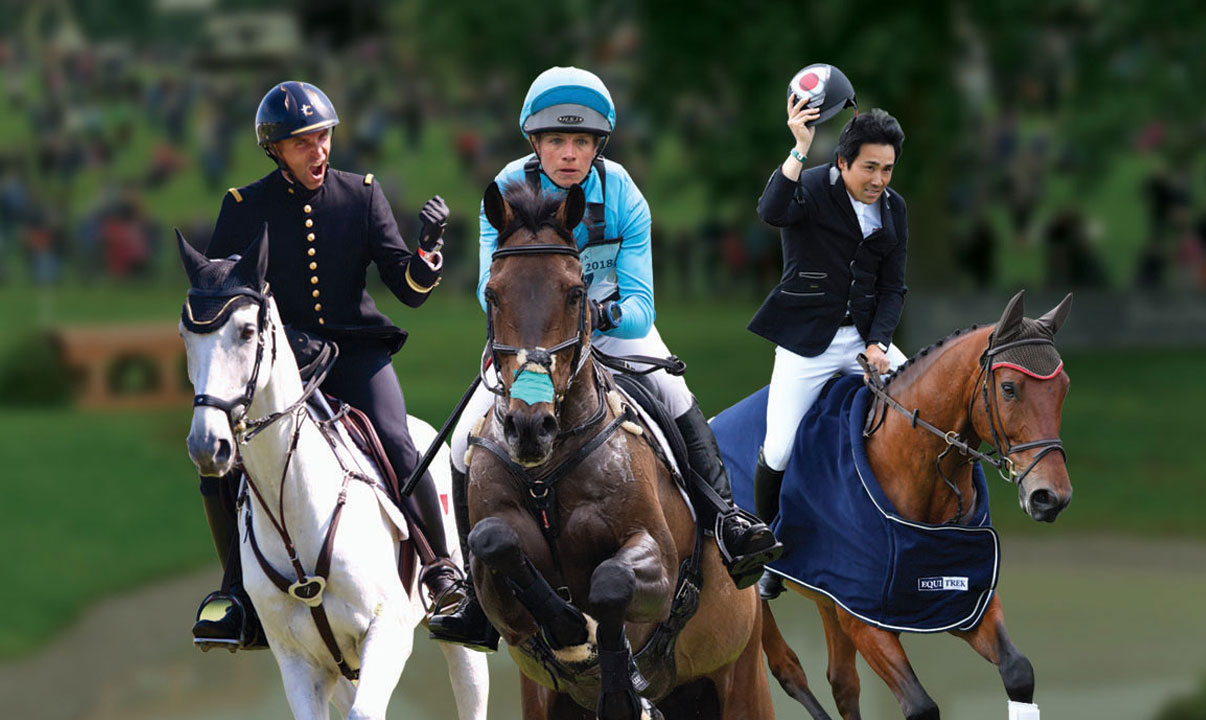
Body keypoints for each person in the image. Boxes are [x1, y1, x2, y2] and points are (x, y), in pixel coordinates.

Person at [427, 66, 783, 652]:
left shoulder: (622, 194)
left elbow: (641, 305)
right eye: (556, 142)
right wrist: (541, 333)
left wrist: (592, 318)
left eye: (582, 143)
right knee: (465, 437)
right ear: (534, 145)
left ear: (599, 146)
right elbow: (485, 290)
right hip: (533, 343)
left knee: (676, 397)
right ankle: (471, 588)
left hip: (612, 334)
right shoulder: (507, 189)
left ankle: (729, 523)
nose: (569, 154)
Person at [192, 81, 464, 648]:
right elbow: (217, 291)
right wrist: (273, 337)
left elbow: (408, 289)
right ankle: (237, 594)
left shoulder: (361, 195)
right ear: (275, 149)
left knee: (397, 439)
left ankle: (440, 572)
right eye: (302, 143)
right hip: (276, 362)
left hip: (356, 352)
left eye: (323, 137)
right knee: (221, 466)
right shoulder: (242, 208)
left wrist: (428, 252)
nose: (319, 152)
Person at [750, 67, 911, 596]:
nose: (879, 180)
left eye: (887, 169)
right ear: (842, 162)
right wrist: (798, 149)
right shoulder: (811, 189)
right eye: (869, 168)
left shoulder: (895, 210)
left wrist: (879, 345)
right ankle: (767, 552)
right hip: (807, 343)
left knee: (922, 411)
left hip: (866, 340)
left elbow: (893, 289)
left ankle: (915, 531)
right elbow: (771, 210)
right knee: (778, 448)